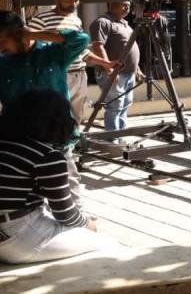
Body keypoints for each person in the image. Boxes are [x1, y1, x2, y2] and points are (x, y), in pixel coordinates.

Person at [0, 90, 110, 264]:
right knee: (104, 243)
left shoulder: (6, 144)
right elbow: (65, 214)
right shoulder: (47, 156)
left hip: (11, 226)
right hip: (15, 236)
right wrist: (89, 224)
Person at [28, 0, 116, 126]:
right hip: (56, 76)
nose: (73, 4)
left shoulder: (76, 20)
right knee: (56, 115)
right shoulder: (41, 19)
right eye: (68, 0)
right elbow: (29, 45)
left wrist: (105, 63)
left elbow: (82, 51)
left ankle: (73, 139)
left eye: (76, 0)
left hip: (79, 75)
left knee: (76, 116)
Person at [90, 1, 142, 132]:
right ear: (110, 5)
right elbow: (98, 46)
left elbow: (130, 47)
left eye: (129, 5)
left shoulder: (125, 24)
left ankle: (121, 134)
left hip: (129, 73)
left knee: (125, 104)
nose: (127, 7)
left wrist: (137, 70)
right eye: (123, 4)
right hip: (113, 73)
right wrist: (109, 70)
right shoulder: (103, 22)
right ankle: (112, 137)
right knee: (115, 106)